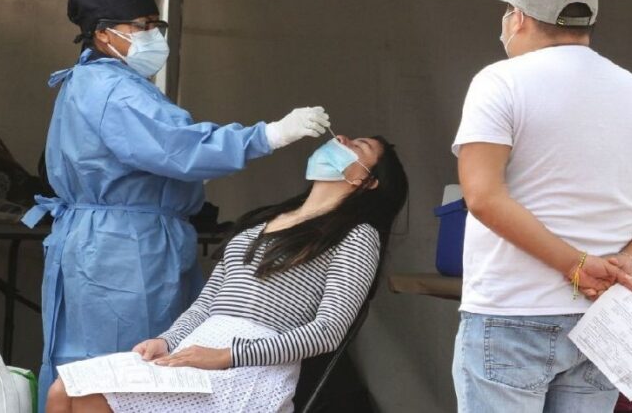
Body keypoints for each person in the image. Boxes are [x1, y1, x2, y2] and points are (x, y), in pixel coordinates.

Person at [21, 0, 331, 411]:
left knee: (112, 368)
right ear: (103, 33)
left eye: (156, 24)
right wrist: (269, 135)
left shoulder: (97, 82)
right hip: (124, 249)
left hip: (111, 241)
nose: (153, 35)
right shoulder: (112, 89)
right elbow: (179, 146)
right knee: (127, 374)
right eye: (141, 26)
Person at [451, 0, 632, 412]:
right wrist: (626, 262)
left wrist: (576, 265)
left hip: (513, 311)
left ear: (518, 17)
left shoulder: (499, 82)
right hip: (604, 316)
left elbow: (482, 196)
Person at [45, 134, 409, 413]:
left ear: (368, 181)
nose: (341, 139)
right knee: (63, 389)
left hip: (251, 369)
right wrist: (167, 340)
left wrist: (227, 356)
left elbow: (327, 332)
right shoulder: (263, 221)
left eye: (358, 146)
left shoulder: (356, 235)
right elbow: (207, 304)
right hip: (196, 349)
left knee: (91, 398)